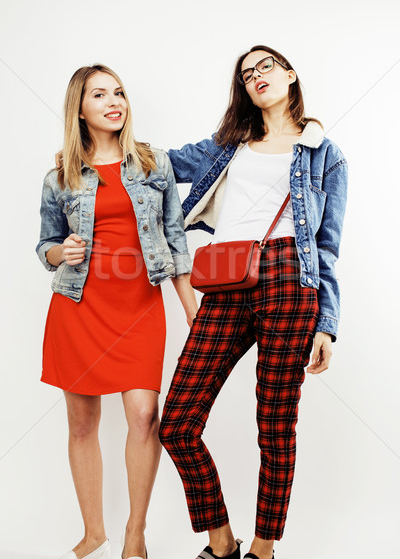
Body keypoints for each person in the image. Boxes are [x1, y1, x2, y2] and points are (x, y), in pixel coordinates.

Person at [159, 45, 348, 559]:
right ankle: (222, 543)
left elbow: (327, 246)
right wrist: (97, 150)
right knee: (177, 422)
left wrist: (326, 324)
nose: (256, 76)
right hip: (226, 277)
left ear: (289, 74)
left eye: (266, 66)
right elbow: (157, 162)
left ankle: (263, 550)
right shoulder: (228, 143)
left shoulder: (325, 155)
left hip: (292, 279)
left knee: (275, 423)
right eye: (246, 74)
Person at [36, 64, 197, 559]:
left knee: (145, 416)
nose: (114, 101)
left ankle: (135, 532)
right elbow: (44, 243)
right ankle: (94, 531)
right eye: (99, 94)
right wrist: (60, 252)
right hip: (78, 307)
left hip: (139, 306)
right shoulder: (60, 175)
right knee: (82, 424)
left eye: (119, 92)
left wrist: (194, 312)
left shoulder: (154, 164)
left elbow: (175, 240)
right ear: (79, 110)